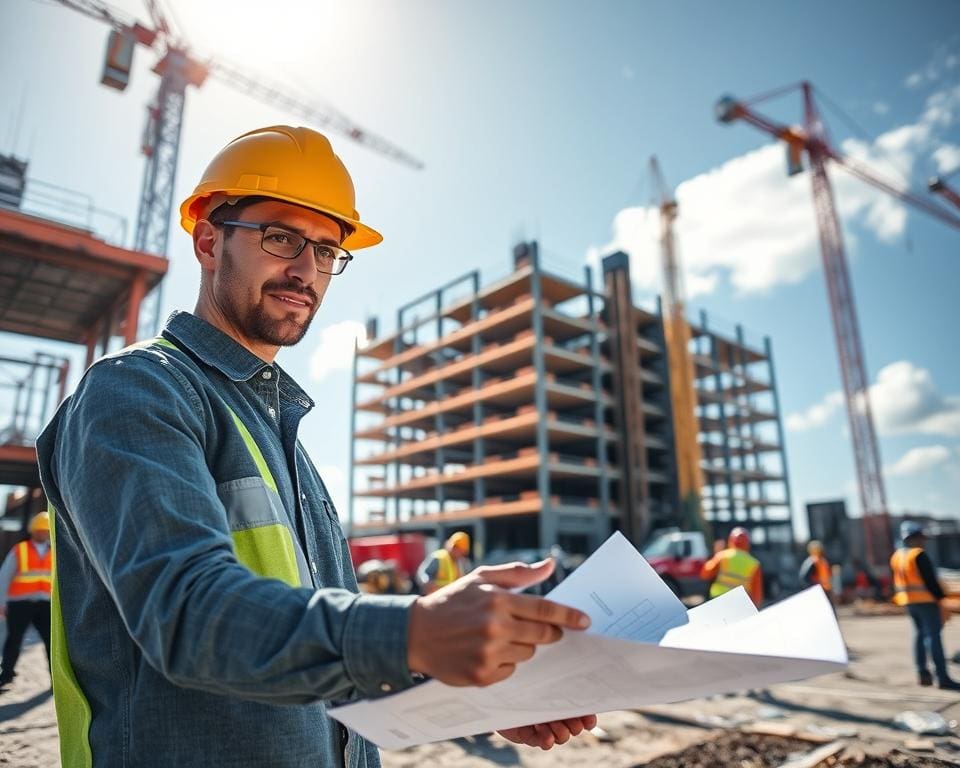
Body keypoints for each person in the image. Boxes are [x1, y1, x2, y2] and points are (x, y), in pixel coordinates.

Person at [36, 125, 596, 766]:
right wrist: (414, 630)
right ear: (208, 240)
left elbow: (317, 642)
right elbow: (186, 614)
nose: (307, 270)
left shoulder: (284, 439)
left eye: (328, 251)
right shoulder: (137, 392)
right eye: (281, 237)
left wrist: (480, 681)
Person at [890, 521, 960, 690]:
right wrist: (942, 599)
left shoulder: (897, 556)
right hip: (926, 601)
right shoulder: (918, 555)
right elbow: (930, 581)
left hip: (908, 601)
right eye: (920, 537)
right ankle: (941, 677)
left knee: (919, 635)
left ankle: (923, 674)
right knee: (933, 637)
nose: (923, 541)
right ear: (912, 538)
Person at [0, 511, 52, 691]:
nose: (44, 533)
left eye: (47, 530)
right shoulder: (20, 550)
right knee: (14, 639)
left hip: (45, 604)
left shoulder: (54, 553)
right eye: (42, 530)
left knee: (51, 641)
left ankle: (57, 680)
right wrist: (1, 602)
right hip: (19, 604)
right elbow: (4, 577)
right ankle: (6, 675)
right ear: (33, 531)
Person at [700, 526, 763, 607]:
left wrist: (715, 554)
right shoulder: (754, 564)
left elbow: (705, 574)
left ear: (730, 541)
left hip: (718, 599)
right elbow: (757, 594)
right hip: (740, 603)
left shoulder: (722, 556)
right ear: (747, 544)